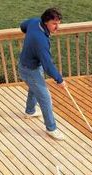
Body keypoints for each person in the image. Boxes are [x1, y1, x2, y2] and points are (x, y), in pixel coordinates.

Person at [18, 8, 66, 140]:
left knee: (34, 88)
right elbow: (48, 65)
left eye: (58, 23)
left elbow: (23, 26)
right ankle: (51, 128)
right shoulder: (41, 41)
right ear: (45, 22)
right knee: (45, 98)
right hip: (29, 69)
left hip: (30, 64)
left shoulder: (34, 22)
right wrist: (59, 79)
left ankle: (30, 111)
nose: (57, 27)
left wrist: (30, 36)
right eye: (54, 24)